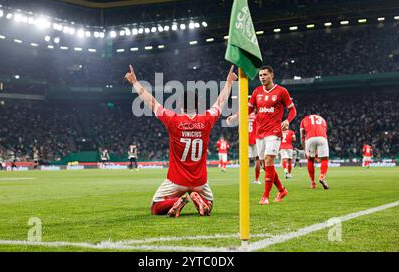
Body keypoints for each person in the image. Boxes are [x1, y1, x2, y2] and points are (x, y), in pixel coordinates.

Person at [125, 64, 237, 217]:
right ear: (198, 105)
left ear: (179, 105)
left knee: (155, 207)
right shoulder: (206, 119)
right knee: (209, 205)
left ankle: (175, 202)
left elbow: (151, 102)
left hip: (176, 180)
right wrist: (229, 82)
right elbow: (221, 101)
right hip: (200, 181)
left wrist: (135, 83)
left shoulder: (173, 119)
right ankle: (199, 200)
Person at [228, 66, 296, 205]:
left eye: (265, 74)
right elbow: (248, 109)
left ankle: (265, 196)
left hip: (274, 132)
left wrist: (287, 121)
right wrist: (235, 117)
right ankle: (282, 190)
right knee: (265, 165)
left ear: (272, 74)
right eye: (260, 75)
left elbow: (292, 110)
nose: (262, 77)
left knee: (268, 160)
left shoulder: (281, 91)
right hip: (260, 133)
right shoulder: (257, 92)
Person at [300, 114, 330, 189]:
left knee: (310, 159)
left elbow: (302, 136)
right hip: (322, 138)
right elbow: (324, 132)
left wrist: (305, 150)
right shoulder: (323, 119)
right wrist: (317, 152)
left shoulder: (304, 119)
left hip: (310, 138)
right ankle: (322, 176)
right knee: (324, 159)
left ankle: (313, 182)